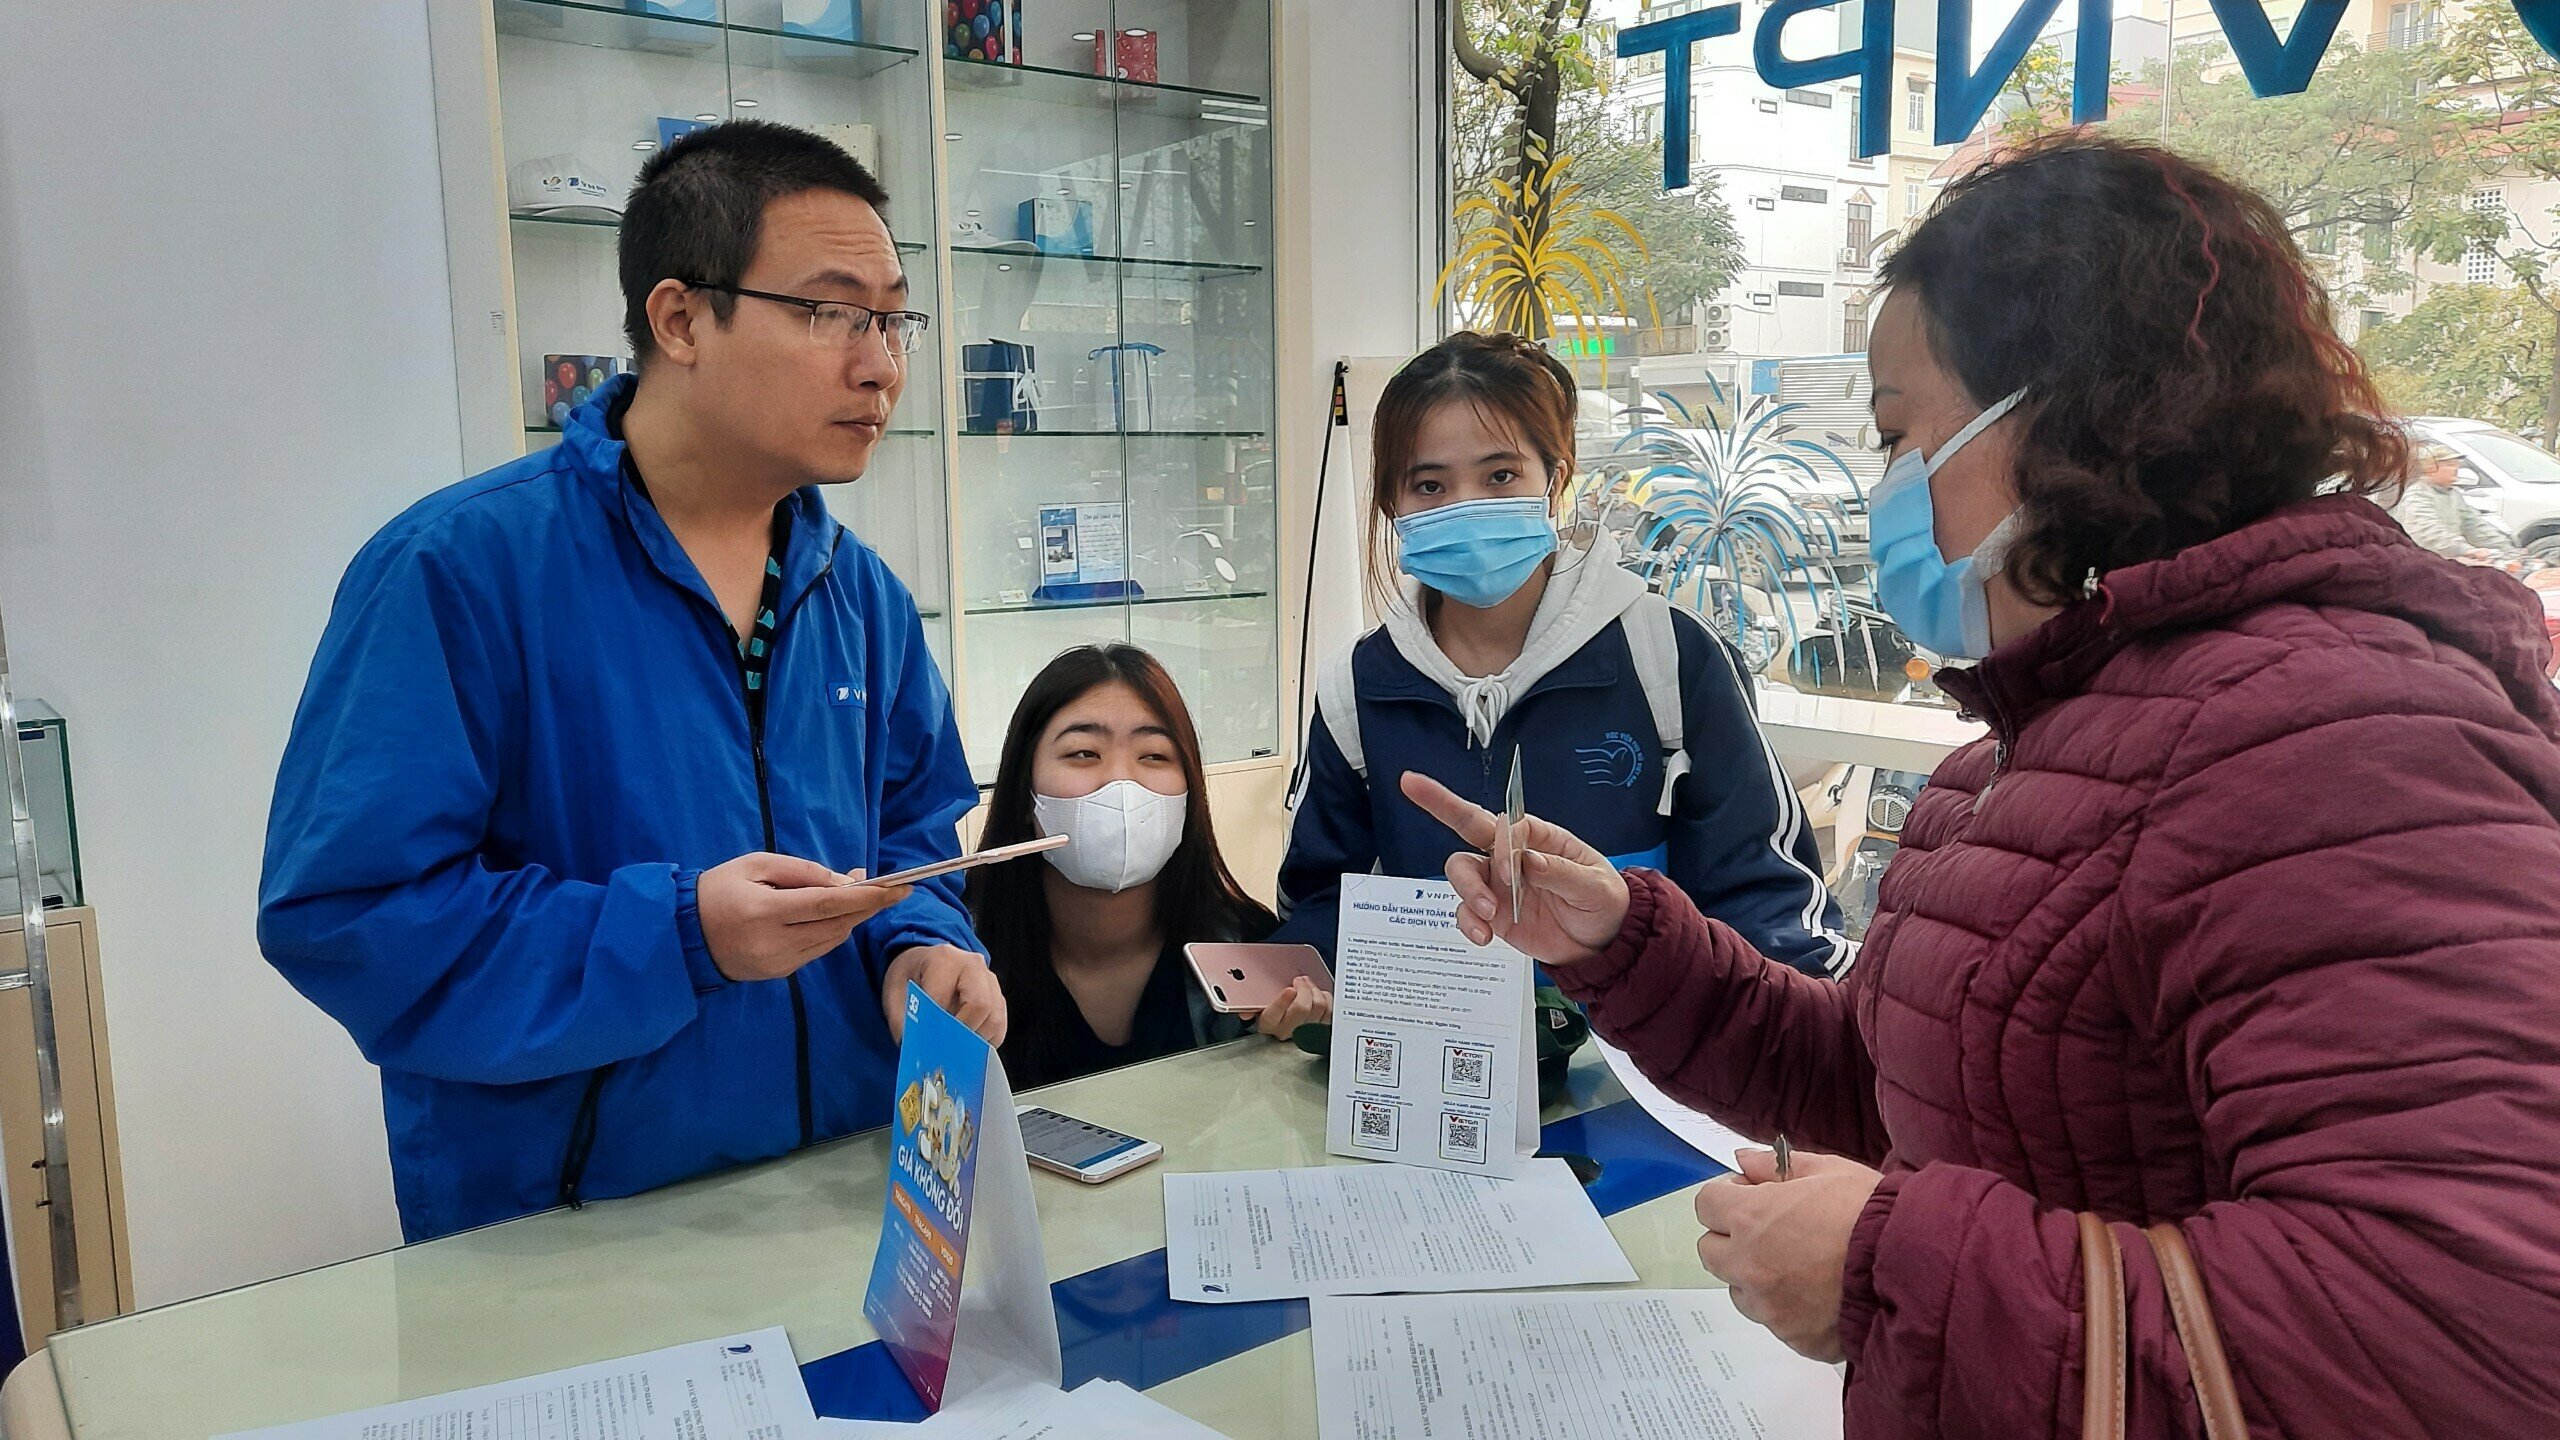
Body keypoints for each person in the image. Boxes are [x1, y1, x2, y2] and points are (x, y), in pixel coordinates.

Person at [1406, 135, 2560, 1436]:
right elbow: (1888, 1082)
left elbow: (2467, 1332)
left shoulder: (2339, 737)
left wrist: (1890, 1267)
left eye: (1901, 435)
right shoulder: (2017, 754)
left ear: (2066, 411)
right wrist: (1626, 944)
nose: (1885, 489)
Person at [259, 122, 1002, 1242]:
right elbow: (351, 916)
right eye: (828, 312)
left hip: (839, 1208)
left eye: (892, 317)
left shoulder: (864, 600)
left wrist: (921, 945)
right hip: (569, 1238)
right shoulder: (460, 573)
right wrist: (676, 934)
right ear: (679, 318)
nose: (879, 363)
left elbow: (916, 835)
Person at [1277, 331, 1846, 976]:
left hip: (1639, 1065)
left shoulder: (1669, 657)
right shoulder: (1358, 688)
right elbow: (1320, 903)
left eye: (1500, 476)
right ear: (1391, 503)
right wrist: (1309, 990)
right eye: (1430, 486)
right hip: (1429, 1063)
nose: (1466, 506)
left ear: (1556, 475)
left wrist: (1783, 1036)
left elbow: (1766, 894)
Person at [966, 645, 1323, 1089]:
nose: (1122, 782)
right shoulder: (958, 954)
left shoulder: (1249, 950)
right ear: (1024, 791)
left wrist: (1299, 1044)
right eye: (1083, 753)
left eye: (1154, 756)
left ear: (1189, 792)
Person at [2393, 442, 2523, 564]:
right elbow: (2428, 532)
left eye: (2456, 464)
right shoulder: (2417, 495)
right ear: (2431, 468)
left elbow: (2474, 526)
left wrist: (2509, 550)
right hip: (2421, 564)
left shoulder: (2453, 495)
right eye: (2449, 464)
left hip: (2447, 561)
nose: (2456, 468)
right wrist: (2465, 550)